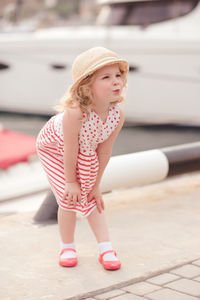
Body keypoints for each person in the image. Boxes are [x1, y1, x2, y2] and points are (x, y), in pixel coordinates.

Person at [36, 46, 129, 270]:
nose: (116, 81)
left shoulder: (117, 115)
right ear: (87, 86)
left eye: (118, 75)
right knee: (69, 197)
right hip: (54, 150)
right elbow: (70, 149)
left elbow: (104, 152)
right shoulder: (76, 114)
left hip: (85, 150)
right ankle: (67, 246)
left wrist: (95, 185)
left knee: (90, 196)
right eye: (106, 77)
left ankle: (105, 247)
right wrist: (71, 182)